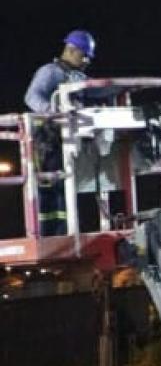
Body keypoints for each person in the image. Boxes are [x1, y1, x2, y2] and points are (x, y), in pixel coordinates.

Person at [23, 30, 97, 236]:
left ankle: (66, 232)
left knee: (68, 187)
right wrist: (54, 114)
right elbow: (31, 97)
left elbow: (95, 89)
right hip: (48, 140)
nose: (86, 61)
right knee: (51, 189)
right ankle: (49, 235)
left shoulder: (78, 76)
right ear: (71, 50)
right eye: (84, 55)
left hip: (67, 140)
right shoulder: (51, 72)